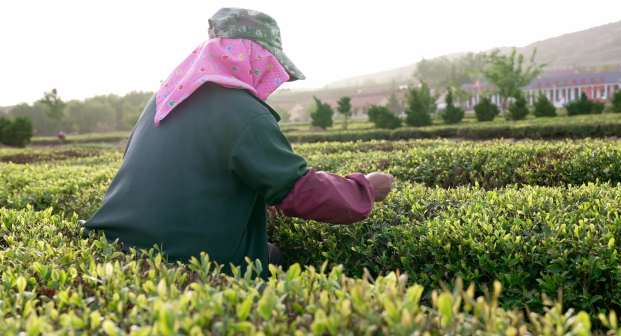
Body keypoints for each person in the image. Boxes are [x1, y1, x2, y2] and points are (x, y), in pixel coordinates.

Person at [85, 8, 393, 269]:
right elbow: (300, 191)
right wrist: (365, 188)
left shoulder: (164, 100)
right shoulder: (242, 112)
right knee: (274, 260)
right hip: (186, 261)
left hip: (117, 246)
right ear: (251, 57)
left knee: (267, 250)